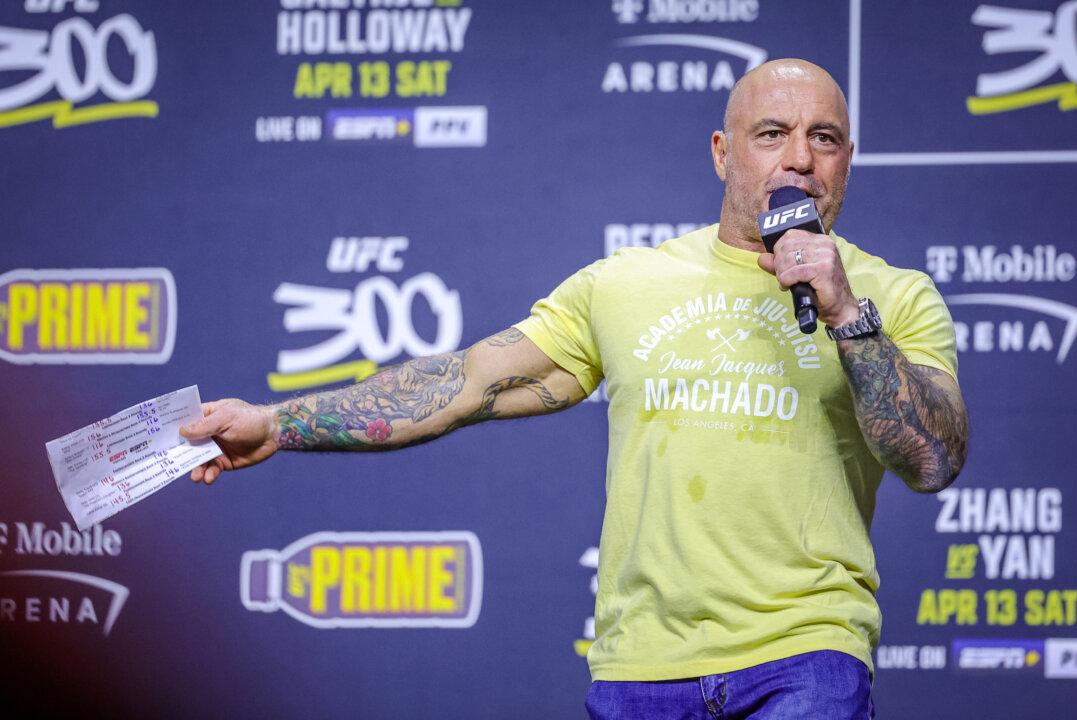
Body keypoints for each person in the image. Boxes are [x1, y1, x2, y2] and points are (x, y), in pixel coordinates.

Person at [181, 59, 969, 719]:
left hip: (807, 657)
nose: (799, 159)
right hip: (640, 669)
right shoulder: (625, 284)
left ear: (847, 160)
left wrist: (843, 310)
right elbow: (464, 385)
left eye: (822, 139)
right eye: (772, 135)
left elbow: (932, 460)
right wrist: (279, 423)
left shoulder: (891, 297)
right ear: (724, 153)